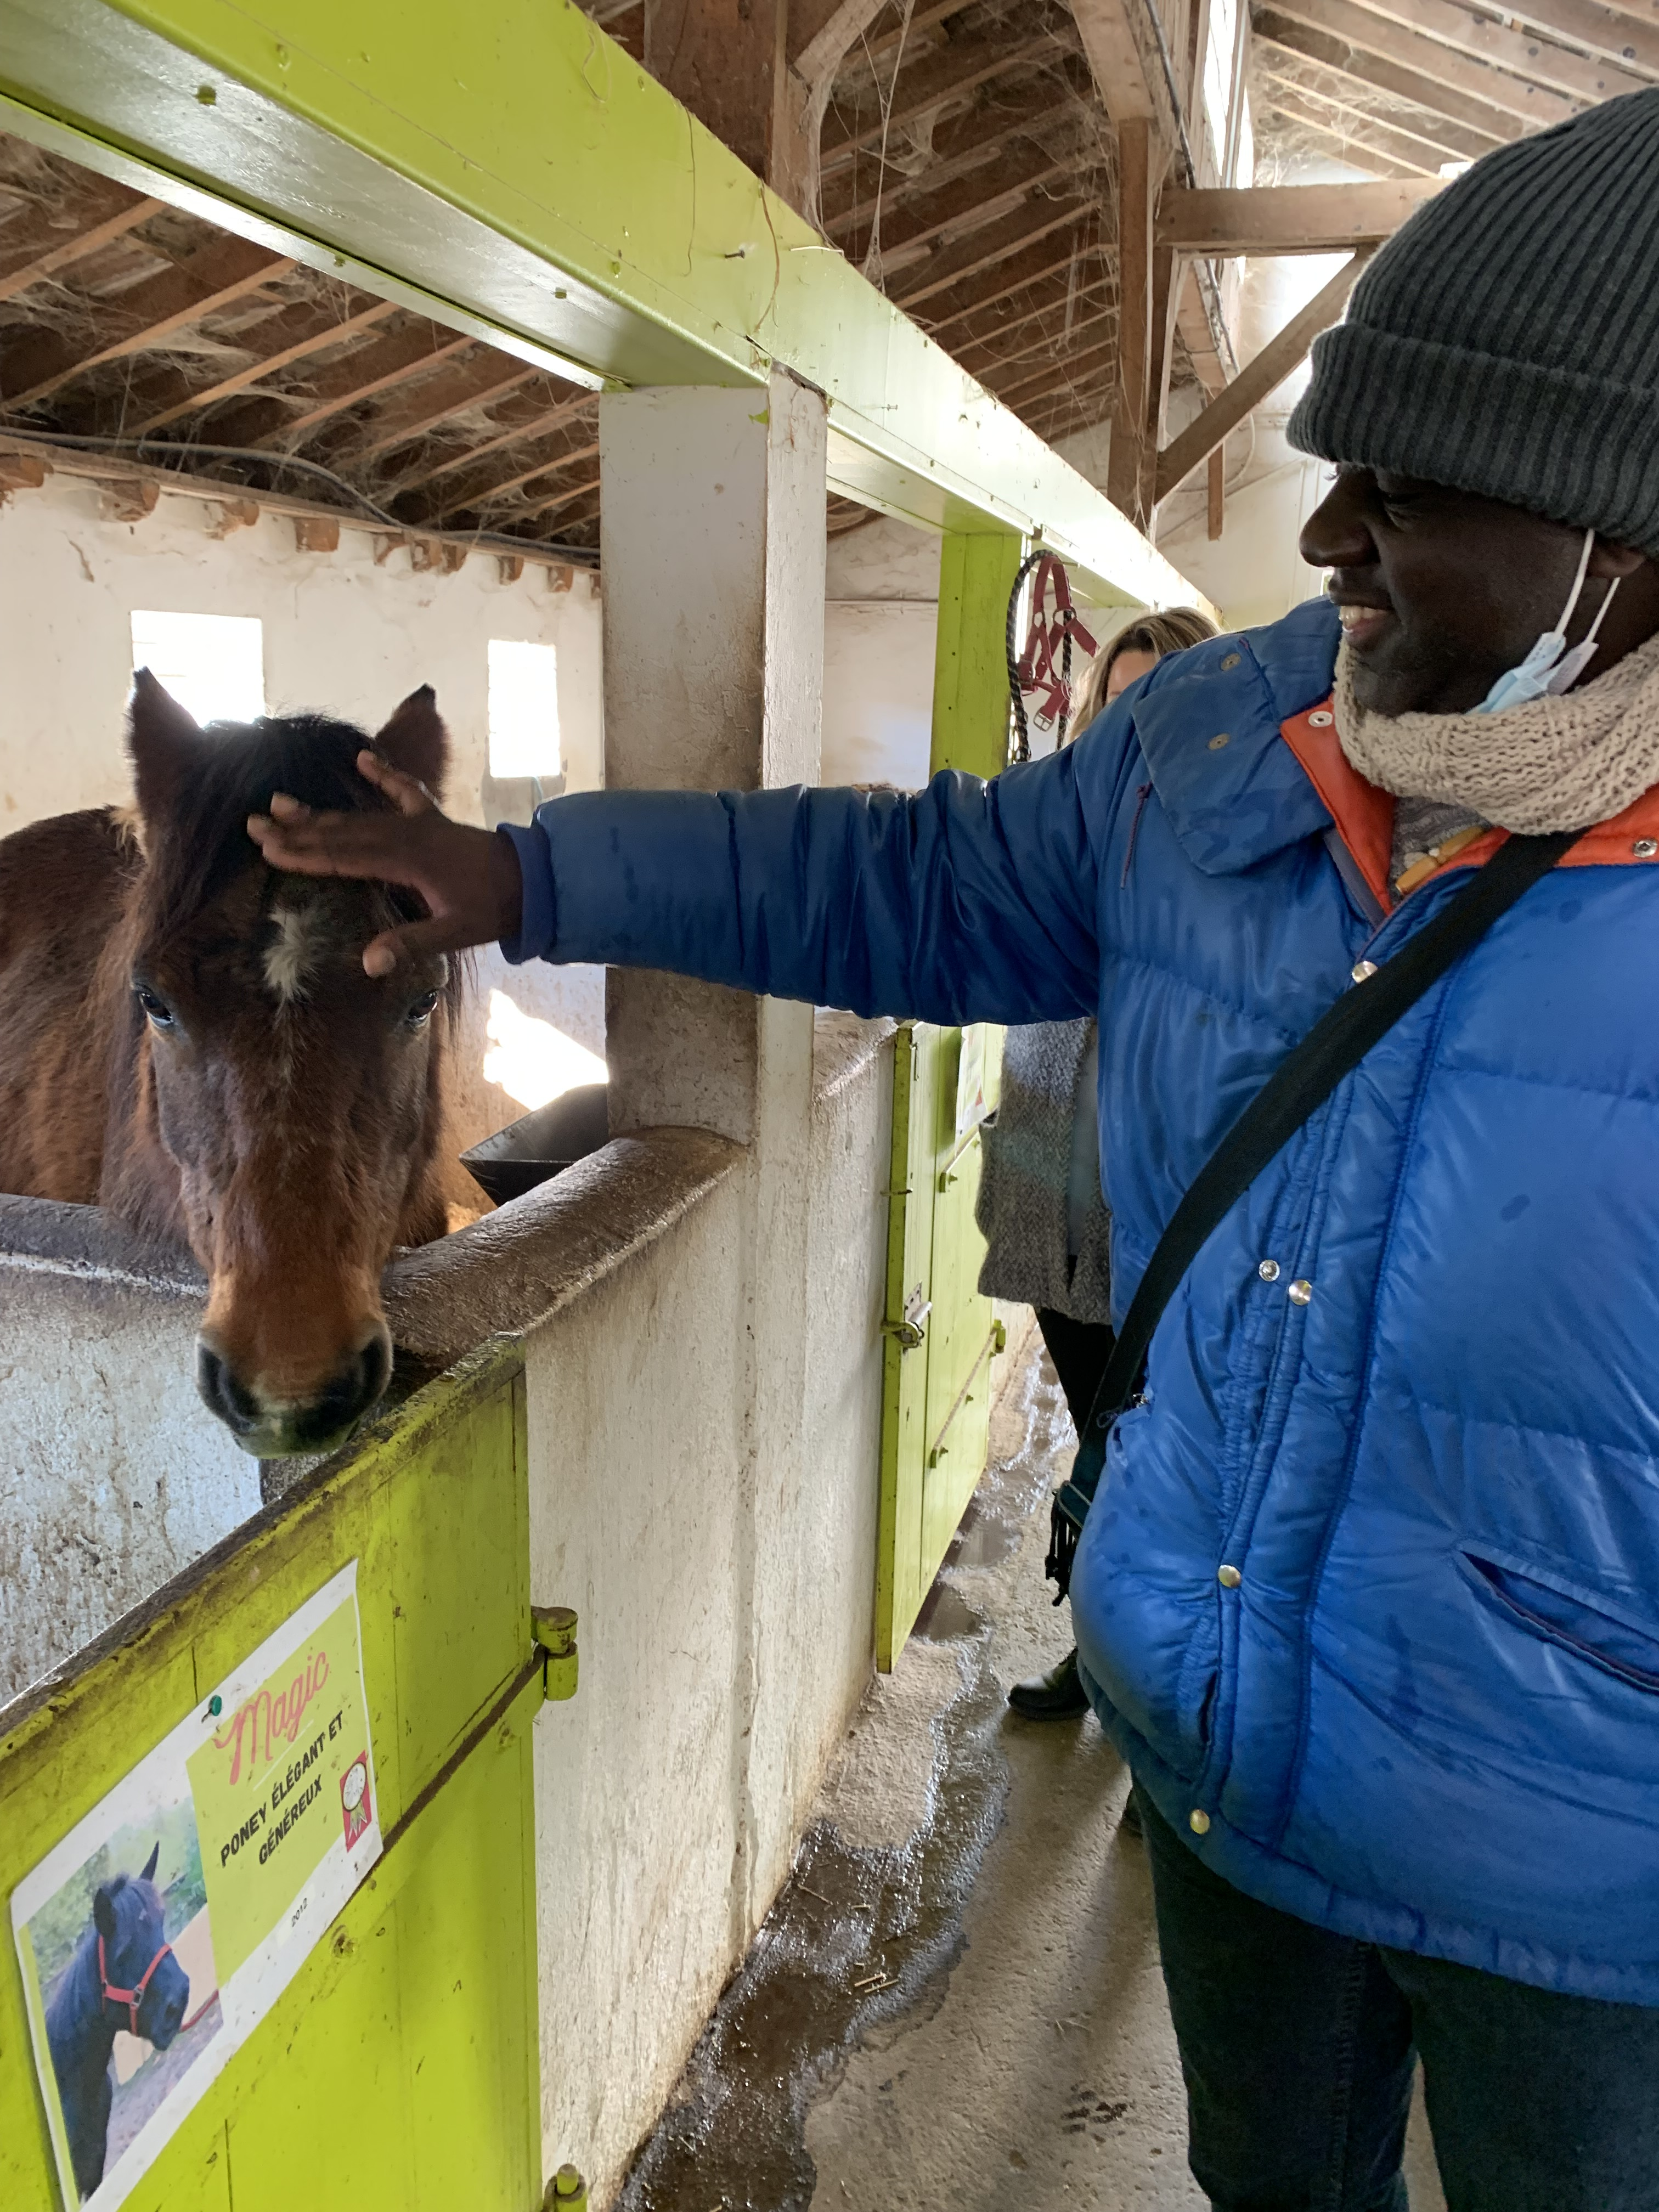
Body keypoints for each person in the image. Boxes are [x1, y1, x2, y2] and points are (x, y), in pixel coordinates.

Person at [251, 93, 1659, 2208]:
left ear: (1616, 542)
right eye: (1336, 465)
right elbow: (911, 886)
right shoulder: (1228, 734)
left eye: (1411, 493)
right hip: (1233, 1776)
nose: (1328, 539)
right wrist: (528, 876)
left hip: (1591, 1885)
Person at [985, 607, 1218, 1726]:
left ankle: (1155, 1714)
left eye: (1163, 700)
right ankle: (1096, 1657)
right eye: (1119, 703)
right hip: (1054, 1202)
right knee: (1097, 1449)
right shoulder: (1061, 835)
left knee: (1168, 1474)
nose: (1137, 727)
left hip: (1167, 1229)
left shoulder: (1236, 859)